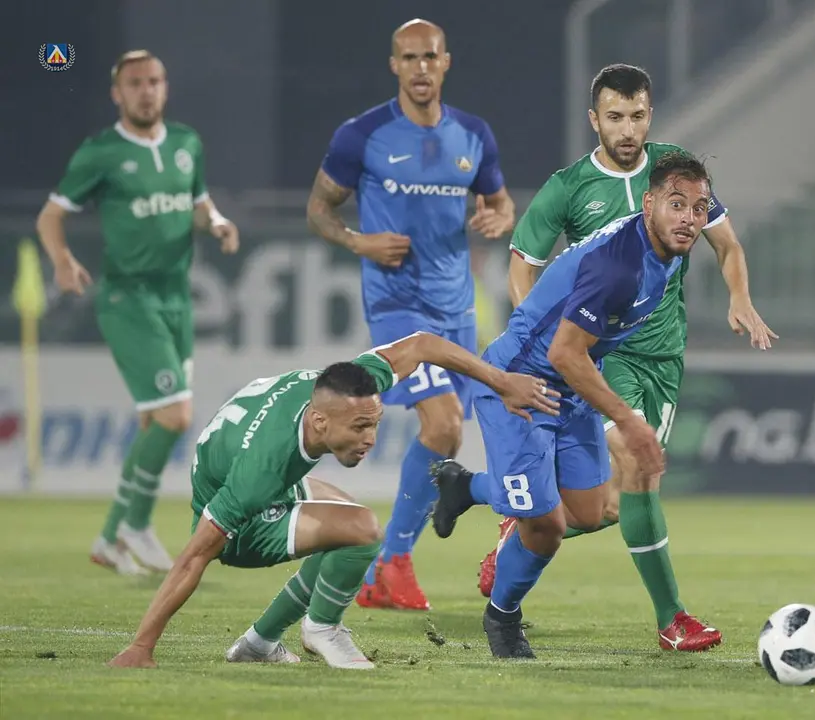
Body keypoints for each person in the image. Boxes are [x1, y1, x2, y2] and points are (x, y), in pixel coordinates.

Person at [476, 64, 775, 651]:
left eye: (637, 116)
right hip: (592, 358)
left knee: (602, 509)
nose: (628, 129)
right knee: (638, 472)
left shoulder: (676, 176)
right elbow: (524, 268)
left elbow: (728, 244)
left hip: (657, 357)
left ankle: (492, 501)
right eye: (615, 117)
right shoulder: (571, 190)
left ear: (651, 116)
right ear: (595, 120)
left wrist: (740, 295)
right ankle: (670, 618)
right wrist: (538, 336)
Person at [105, 331, 560, 670]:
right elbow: (193, 556)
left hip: (249, 475)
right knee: (362, 531)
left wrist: (500, 380)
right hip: (240, 521)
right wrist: (142, 646)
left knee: (345, 519)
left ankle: (259, 643)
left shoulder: (345, 387)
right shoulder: (261, 472)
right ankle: (322, 628)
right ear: (320, 422)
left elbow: (422, 345)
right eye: (360, 428)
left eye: (375, 423)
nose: (370, 439)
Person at [432, 151, 727, 659]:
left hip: (569, 386)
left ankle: (468, 486)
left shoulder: (666, 254)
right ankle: (503, 618)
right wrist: (627, 420)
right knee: (546, 528)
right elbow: (564, 353)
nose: (689, 219)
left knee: (592, 512)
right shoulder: (618, 265)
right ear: (649, 203)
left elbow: (580, 353)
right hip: (520, 388)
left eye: (699, 209)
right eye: (677, 205)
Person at [305, 18, 516, 611]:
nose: (420, 67)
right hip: (398, 306)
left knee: (446, 434)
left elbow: (502, 202)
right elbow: (318, 209)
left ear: (445, 62)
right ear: (394, 65)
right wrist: (358, 242)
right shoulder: (363, 135)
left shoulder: (473, 135)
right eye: (409, 58)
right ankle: (392, 563)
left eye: (430, 57)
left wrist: (499, 216)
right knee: (444, 425)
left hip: (456, 308)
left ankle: (388, 567)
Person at [36, 50, 239, 576]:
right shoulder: (101, 152)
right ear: (117, 93)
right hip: (129, 299)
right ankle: (136, 525)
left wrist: (217, 222)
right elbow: (50, 216)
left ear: (164, 87)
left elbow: (199, 203)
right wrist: (62, 260)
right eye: (135, 83)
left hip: (177, 300)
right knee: (176, 416)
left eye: (154, 81)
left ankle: (110, 538)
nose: (146, 91)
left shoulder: (186, 143)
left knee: (154, 421)